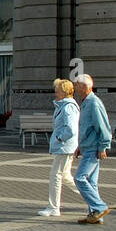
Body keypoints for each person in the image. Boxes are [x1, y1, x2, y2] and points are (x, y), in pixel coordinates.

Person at [73, 74, 111, 224]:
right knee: (91, 182)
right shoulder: (86, 102)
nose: (74, 88)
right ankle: (95, 215)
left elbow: (103, 127)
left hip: (93, 149)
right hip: (88, 147)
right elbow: (86, 128)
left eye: (76, 85)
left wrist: (103, 147)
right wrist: (80, 147)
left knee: (80, 178)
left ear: (84, 87)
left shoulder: (93, 103)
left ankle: (99, 207)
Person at [38, 78, 79, 217]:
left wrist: (60, 138)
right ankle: (91, 197)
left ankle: (53, 207)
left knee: (55, 176)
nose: (55, 92)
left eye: (58, 89)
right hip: (64, 146)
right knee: (65, 176)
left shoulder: (68, 106)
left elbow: (71, 129)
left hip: (64, 147)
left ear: (65, 91)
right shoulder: (64, 105)